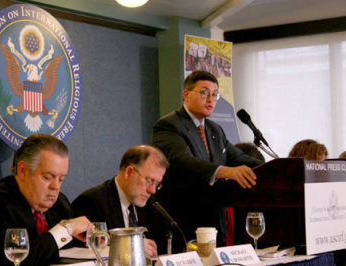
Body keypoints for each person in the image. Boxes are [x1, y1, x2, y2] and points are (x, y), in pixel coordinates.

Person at [151, 71, 263, 249]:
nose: (210, 99)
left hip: (214, 219)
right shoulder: (169, 125)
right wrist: (224, 171)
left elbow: (238, 157)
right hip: (184, 219)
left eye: (215, 94)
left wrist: (278, 167)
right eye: (204, 92)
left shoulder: (214, 129)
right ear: (186, 95)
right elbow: (181, 161)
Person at [0, 134, 92, 266]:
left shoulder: (60, 204)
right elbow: (18, 262)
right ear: (23, 170)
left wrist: (92, 240)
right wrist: (64, 230)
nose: (55, 186)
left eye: (61, 179)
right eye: (47, 177)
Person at [72, 145, 169, 257]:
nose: (152, 190)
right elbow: (83, 251)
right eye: (149, 181)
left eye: (157, 184)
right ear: (129, 172)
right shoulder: (91, 202)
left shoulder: (151, 205)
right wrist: (131, 247)